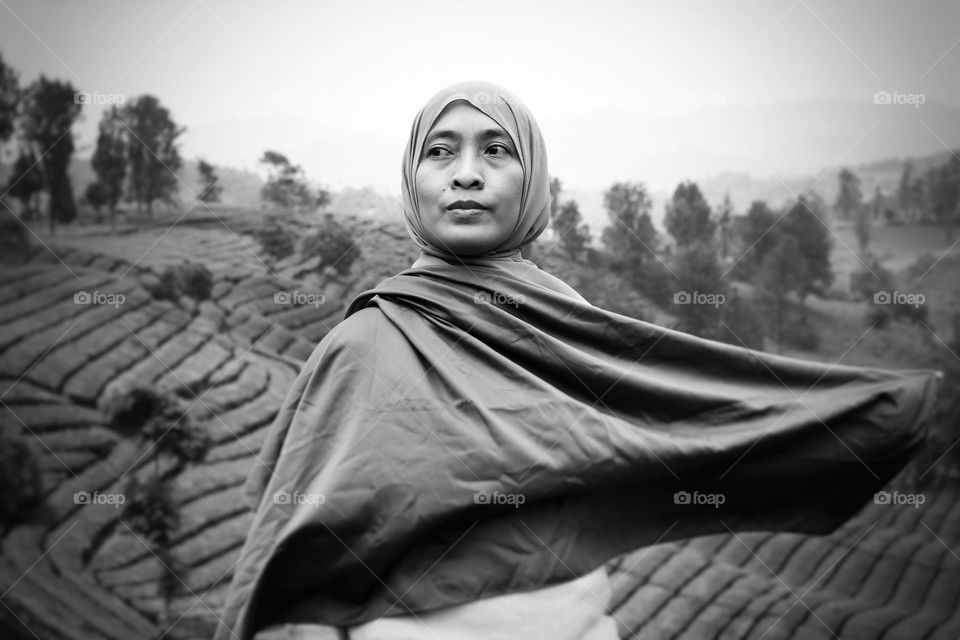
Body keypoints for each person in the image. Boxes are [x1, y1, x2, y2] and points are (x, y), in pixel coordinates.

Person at [215, 81, 943, 640]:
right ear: (413, 177)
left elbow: (663, 427)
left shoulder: (571, 323)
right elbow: (297, 562)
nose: (466, 173)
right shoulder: (365, 344)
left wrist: (848, 414)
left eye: (496, 150)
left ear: (532, 179)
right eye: (441, 151)